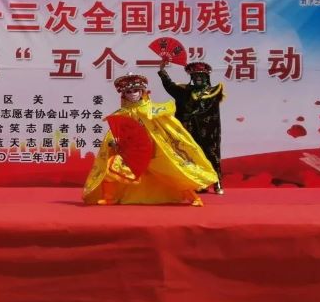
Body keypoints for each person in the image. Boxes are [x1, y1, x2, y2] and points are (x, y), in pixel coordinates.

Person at [83, 73, 218, 206]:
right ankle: (109, 198)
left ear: (142, 92)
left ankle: (194, 198)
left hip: (156, 150)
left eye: (136, 90)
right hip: (133, 153)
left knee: (173, 172)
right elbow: (116, 132)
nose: (132, 94)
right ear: (123, 94)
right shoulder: (122, 114)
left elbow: (169, 128)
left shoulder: (153, 110)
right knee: (111, 167)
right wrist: (114, 142)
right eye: (129, 91)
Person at [158, 60, 225, 194]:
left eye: (201, 76)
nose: (198, 78)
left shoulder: (214, 91)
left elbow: (208, 108)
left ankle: (217, 182)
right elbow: (170, 86)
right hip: (189, 130)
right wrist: (162, 70)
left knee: (211, 155)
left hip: (209, 131)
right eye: (195, 76)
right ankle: (200, 183)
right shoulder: (185, 91)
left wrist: (192, 113)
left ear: (206, 77)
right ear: (192, 78)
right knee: (193, 156)